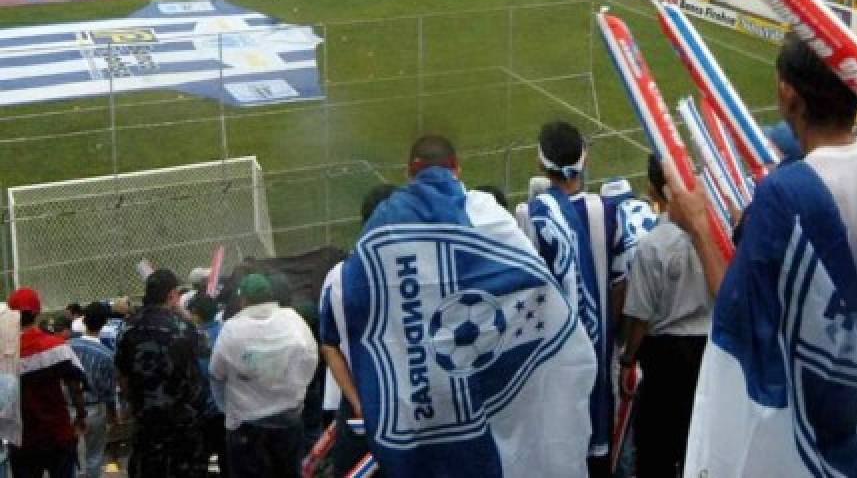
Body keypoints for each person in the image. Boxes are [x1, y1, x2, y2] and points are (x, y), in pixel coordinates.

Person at [676, 33, 857, 477]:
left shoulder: (781, 197)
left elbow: (741, 327)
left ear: (787, 93)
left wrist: (698, 226)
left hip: (812, 439)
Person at [333, 134, 595, 476]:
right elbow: (536, 281)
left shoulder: (384, 224)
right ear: (457, 168)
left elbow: (355, 303)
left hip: (421, 389)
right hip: (470, 381)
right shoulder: (485, 212)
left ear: (408, 171)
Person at [528, 121, 636, 477]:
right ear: (584, 159)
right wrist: (610, 333)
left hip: (552, 355)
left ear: (541, 163)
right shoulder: (607, 211)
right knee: (597, 447)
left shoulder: (533, 217)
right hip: (599, 351)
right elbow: (620, 283)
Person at [618, 154, 710, 478]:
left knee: (657, 449)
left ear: (652, 190)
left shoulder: (653, 245)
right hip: (707, 352)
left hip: (667, 358)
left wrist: (627, 359)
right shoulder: (715, 233)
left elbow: (640, 315)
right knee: (697, 442)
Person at [319, 182, 396, 477]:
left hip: (361, 409)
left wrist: (356, 401)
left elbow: (329, 345)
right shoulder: (423, 270)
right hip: (407, 406)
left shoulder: (339, 276)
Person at [209, 274, 318, 478]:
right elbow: (310, 361)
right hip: (288, 421)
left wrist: (228, 410)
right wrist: (295, 395)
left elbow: (216, 375)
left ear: (243, 300)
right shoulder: (294, 321)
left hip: (246, 427)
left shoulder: (232, 329)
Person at [115, 269, 208, 478]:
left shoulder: (128, 328)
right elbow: (204, 347)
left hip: (146, 421)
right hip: (181, 423)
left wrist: (134, 403)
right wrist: (182, 312)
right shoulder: (182, 327)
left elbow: (122, 375)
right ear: (172, 295)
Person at [8, 287, 86, 478]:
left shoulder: (5, 353)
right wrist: (81, 416)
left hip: (22, 439)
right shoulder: (57, 347)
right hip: (58, 435)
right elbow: (75, 386)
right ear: (37, 312)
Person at [69, 302, 116, 478]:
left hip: (67, 407)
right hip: (95, 409)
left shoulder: (68, 346)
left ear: (84, 320)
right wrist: (112, 414)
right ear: (104, 323)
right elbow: (109, 390)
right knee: (94, 456)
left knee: (70, 455)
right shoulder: (106, 355)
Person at [187, 292, 227, 477]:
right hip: (227, 407)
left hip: (203, 408)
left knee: (201, 458)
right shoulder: (227, 332)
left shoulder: (192, 339)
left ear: (196, 313)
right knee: (226, 456)